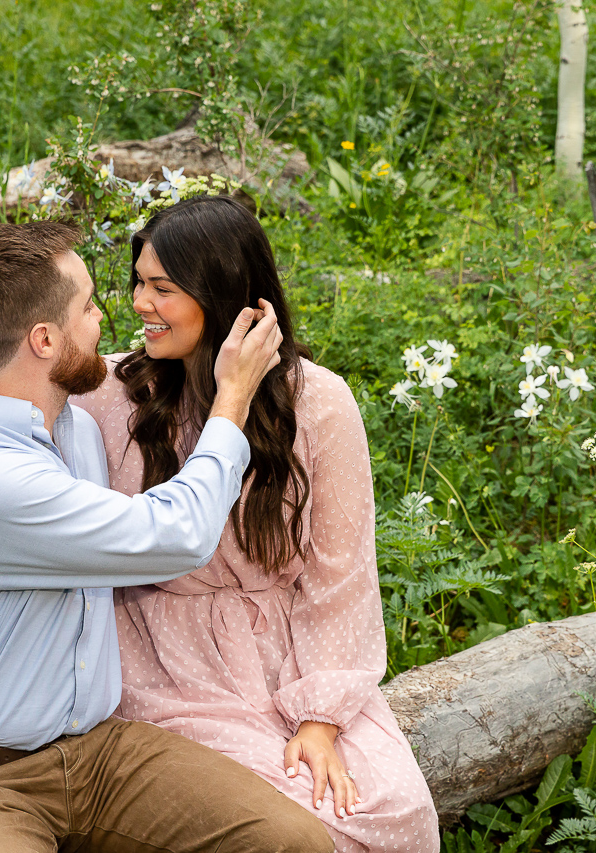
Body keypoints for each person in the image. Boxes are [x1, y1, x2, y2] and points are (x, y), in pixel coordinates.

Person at [0, 220, 333, 853]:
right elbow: (175, 535)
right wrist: (233, 398)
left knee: (290, 842)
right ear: (44, 339)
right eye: (89, 305)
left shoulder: (76, 430)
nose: (108, 317)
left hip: (98, 755)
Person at [72, 196, 440, 853]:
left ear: (226, 293)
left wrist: (321, 717)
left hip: (288, 656)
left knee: (396, 811)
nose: (139, 304)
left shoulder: (318, 401)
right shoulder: (111, 395)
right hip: (163, 665)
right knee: (293, 825)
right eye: (137, 283)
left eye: (162, 288)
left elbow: (340, 578)